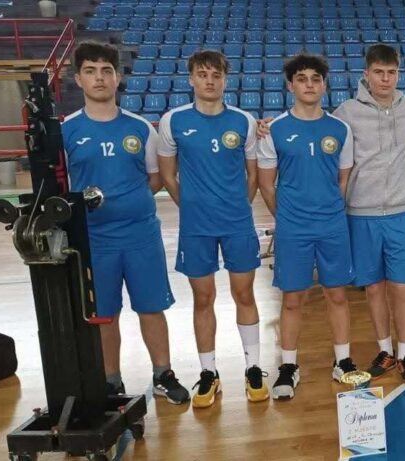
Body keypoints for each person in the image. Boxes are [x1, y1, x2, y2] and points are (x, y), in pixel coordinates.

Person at [62, 41, 189, 404]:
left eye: (106, 71)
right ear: (78, 79)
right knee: (104, 314)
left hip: (140, 236)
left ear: (117, 77)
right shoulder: (67, 130)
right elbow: (61, 184)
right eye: (90, 71)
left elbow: (155, 177)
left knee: (151, 306)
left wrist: (127, 203)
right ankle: (110, 381)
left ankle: (163, 374)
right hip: (93, 239)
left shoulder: (140, 128)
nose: (99, 78)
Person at [157, 50, 267, 408]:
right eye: (202, 74)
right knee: (203, 298)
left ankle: (253, 367)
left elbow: (253, 174)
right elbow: (168, 175)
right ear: (191, 79)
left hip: (237, 224)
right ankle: (208, 372)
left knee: (244, 294)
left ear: (225, 80)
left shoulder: (244, 121)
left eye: (216, 75)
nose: (209, 81)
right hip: (196, 227)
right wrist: (191, 207)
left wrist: (237, 207)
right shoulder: (173, 121)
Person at [256, 54, 358, 399]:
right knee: (292, 298)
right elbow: (266, 184)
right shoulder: (274, 130)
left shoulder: (340, 129)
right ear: (290, 85)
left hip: (332, 225)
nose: (309, 84)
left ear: (325, 85)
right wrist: (288, 217)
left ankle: (343, 361)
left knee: (337, 295)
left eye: (316, 78)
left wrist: (327, 209)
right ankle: (288, 366)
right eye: (302, 78)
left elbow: (342, 179)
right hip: (293, 229)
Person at [332, 44, 405, 384]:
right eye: (379, 72)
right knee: (373, 288)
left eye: (392, 73)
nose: (386, 79)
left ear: (398, 74)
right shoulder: (346, 112)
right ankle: (385, 351)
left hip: (399, 212)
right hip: (361, 214)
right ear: (366, 74)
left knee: (401, 287)